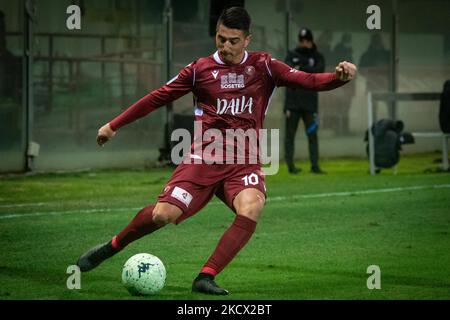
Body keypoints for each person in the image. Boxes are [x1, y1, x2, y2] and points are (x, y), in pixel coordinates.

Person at [76, 7, 356, 295]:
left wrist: (338, 78)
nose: (226, 46)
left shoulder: (264, 66)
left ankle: (205, 277)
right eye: (221, 39)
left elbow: (307, 81)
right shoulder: (199, 70)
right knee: (163, 215)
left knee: (252, 205)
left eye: (233, 41)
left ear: (248, 39)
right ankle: (112, 246)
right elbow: (157, 97)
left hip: (243, 162)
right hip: (203, 159)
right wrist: (114, 125)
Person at [284, 28, 326, 174]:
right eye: (301, 40)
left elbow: (318, 73)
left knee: (312, 134)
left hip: (310, 104)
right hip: (293, 104)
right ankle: (290, 166)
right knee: (290, 135)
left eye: (306, 40)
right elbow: (287, 75)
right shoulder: (292, 55)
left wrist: (300, 68)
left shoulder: (318, 56)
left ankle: (315, 165)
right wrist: (308, 71)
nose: (304, 43)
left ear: (311, 41)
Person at [330, 33, 356, 135]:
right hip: (340, 83)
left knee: (345, 108)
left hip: (347, 84)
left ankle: (344, 128)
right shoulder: (340, 51)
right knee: (340, 107)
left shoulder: (348, 52)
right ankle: (339, 129)